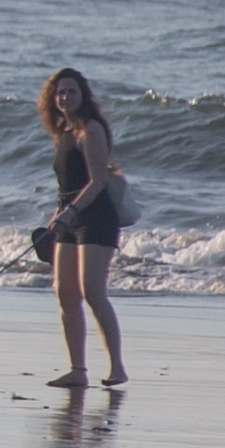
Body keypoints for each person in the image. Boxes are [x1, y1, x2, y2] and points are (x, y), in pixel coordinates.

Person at [39, 67, 132, 389]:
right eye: (60, 92)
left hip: (96, 217)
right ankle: (77, 370)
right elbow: (68, 183)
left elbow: (98, 181)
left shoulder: (90, 130)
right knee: (64, 293)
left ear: (84, 96)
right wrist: (58, 214)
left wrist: (72, 210)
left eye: (72, 92)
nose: (65, 97)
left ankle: (117, 367)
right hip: (70, 216)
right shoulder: (63, 131)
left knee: (93, 292)